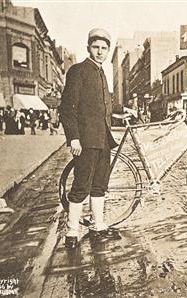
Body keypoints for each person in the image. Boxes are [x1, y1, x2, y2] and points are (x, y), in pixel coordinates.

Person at [59, 28, 118, 249]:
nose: (100, 52)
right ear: (88, 48)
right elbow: (67, 108)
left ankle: (97, 226)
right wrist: (73, 138)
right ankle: (72, 232)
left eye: (104, 48)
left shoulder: (102, 72)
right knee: (81, 186)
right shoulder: (78, 71)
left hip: (104, 139)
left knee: (100, 185)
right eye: (96, 47)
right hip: (85, 140)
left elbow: (102, 107)